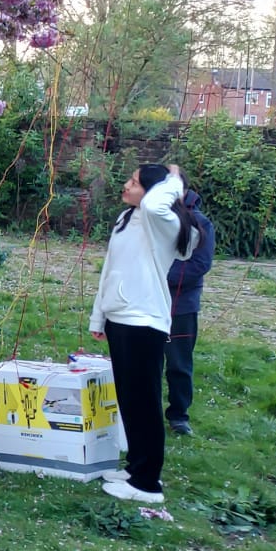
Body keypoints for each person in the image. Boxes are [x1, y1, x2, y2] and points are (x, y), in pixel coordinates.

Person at [90, 163, 197, 505]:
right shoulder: (127, 218)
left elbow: (154, 204)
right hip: (119, 317)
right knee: (129, 400)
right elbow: (111, 268)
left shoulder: (159, 221)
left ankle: (148, 484)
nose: (125, 185)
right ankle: (136, 467)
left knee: (145, 402)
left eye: (134, 182)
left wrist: (174, 180)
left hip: (144, 321)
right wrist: (99, 316)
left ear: (153, 190)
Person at [164, 184, 216, 436]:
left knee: (178, 364)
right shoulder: (150, 219)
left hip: (180, 307)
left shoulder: (201, 224)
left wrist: (157, 276)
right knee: (145, 364)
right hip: (144, 304)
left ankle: (178, 416)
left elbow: (199, 265)